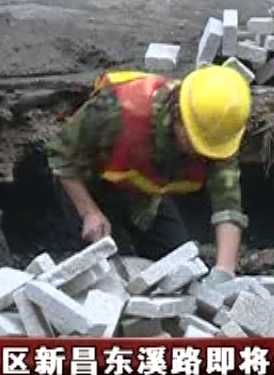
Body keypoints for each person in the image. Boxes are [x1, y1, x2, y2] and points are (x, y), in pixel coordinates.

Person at [45, 65, 251, 286]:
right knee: (107, 279)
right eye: (195, 143)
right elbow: (61, 155)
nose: (201, 154)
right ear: (178, 115)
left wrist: (224, 271)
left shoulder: (218, 136)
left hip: (145, 194)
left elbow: (227, 205)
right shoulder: (116, 109)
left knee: (185, 271)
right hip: (90, 185)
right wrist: (89, 213)